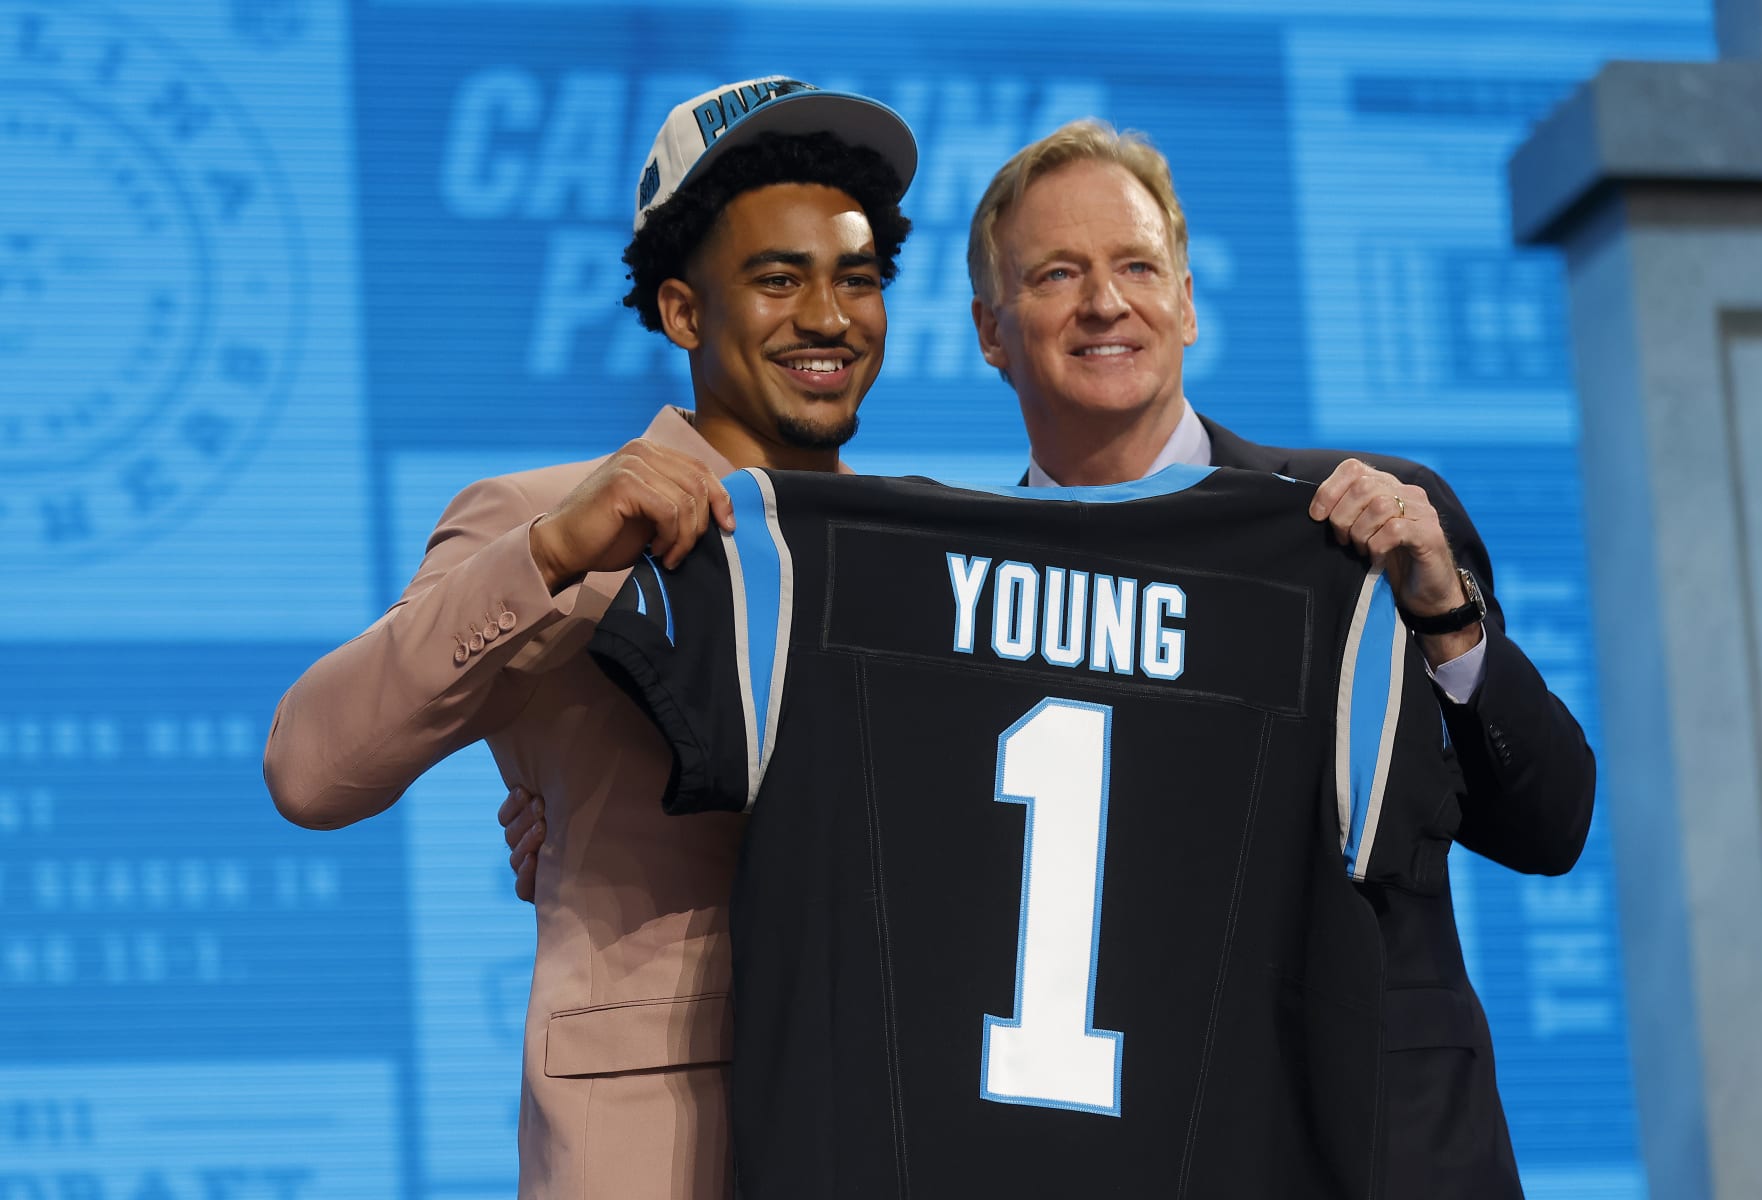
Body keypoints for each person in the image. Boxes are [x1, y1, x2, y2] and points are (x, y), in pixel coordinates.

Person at [503, 119, 1596, 1199]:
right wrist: (586, 824)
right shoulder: (922, 601)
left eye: (1136, 267)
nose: (1105, 302)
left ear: (1187, 299)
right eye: (1058, 274)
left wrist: (1448, 618)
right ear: (989, 330)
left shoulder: (1356, 527)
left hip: (1366, 1142)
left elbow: (1550, 827)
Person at [264, 76, 915, 1200]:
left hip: (898, 1116)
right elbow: (310, 767)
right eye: (777, 279)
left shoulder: (918, 543)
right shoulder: (544, 515)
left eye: (857, 279)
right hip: (659, 1150)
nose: (828, 318)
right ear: (681, 312)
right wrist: (556, 558)